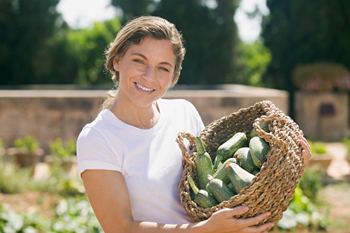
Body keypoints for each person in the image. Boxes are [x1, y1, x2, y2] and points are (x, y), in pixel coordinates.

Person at [77, 16, 312, 233]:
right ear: (117, 61)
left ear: (173, 77)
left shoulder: (183, 112)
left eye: (163, 68)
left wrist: (286, 167)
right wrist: (204, 230)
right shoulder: (98, 138)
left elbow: (213, 184)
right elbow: (120, 227)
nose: (149, 76)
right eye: (139, 61)